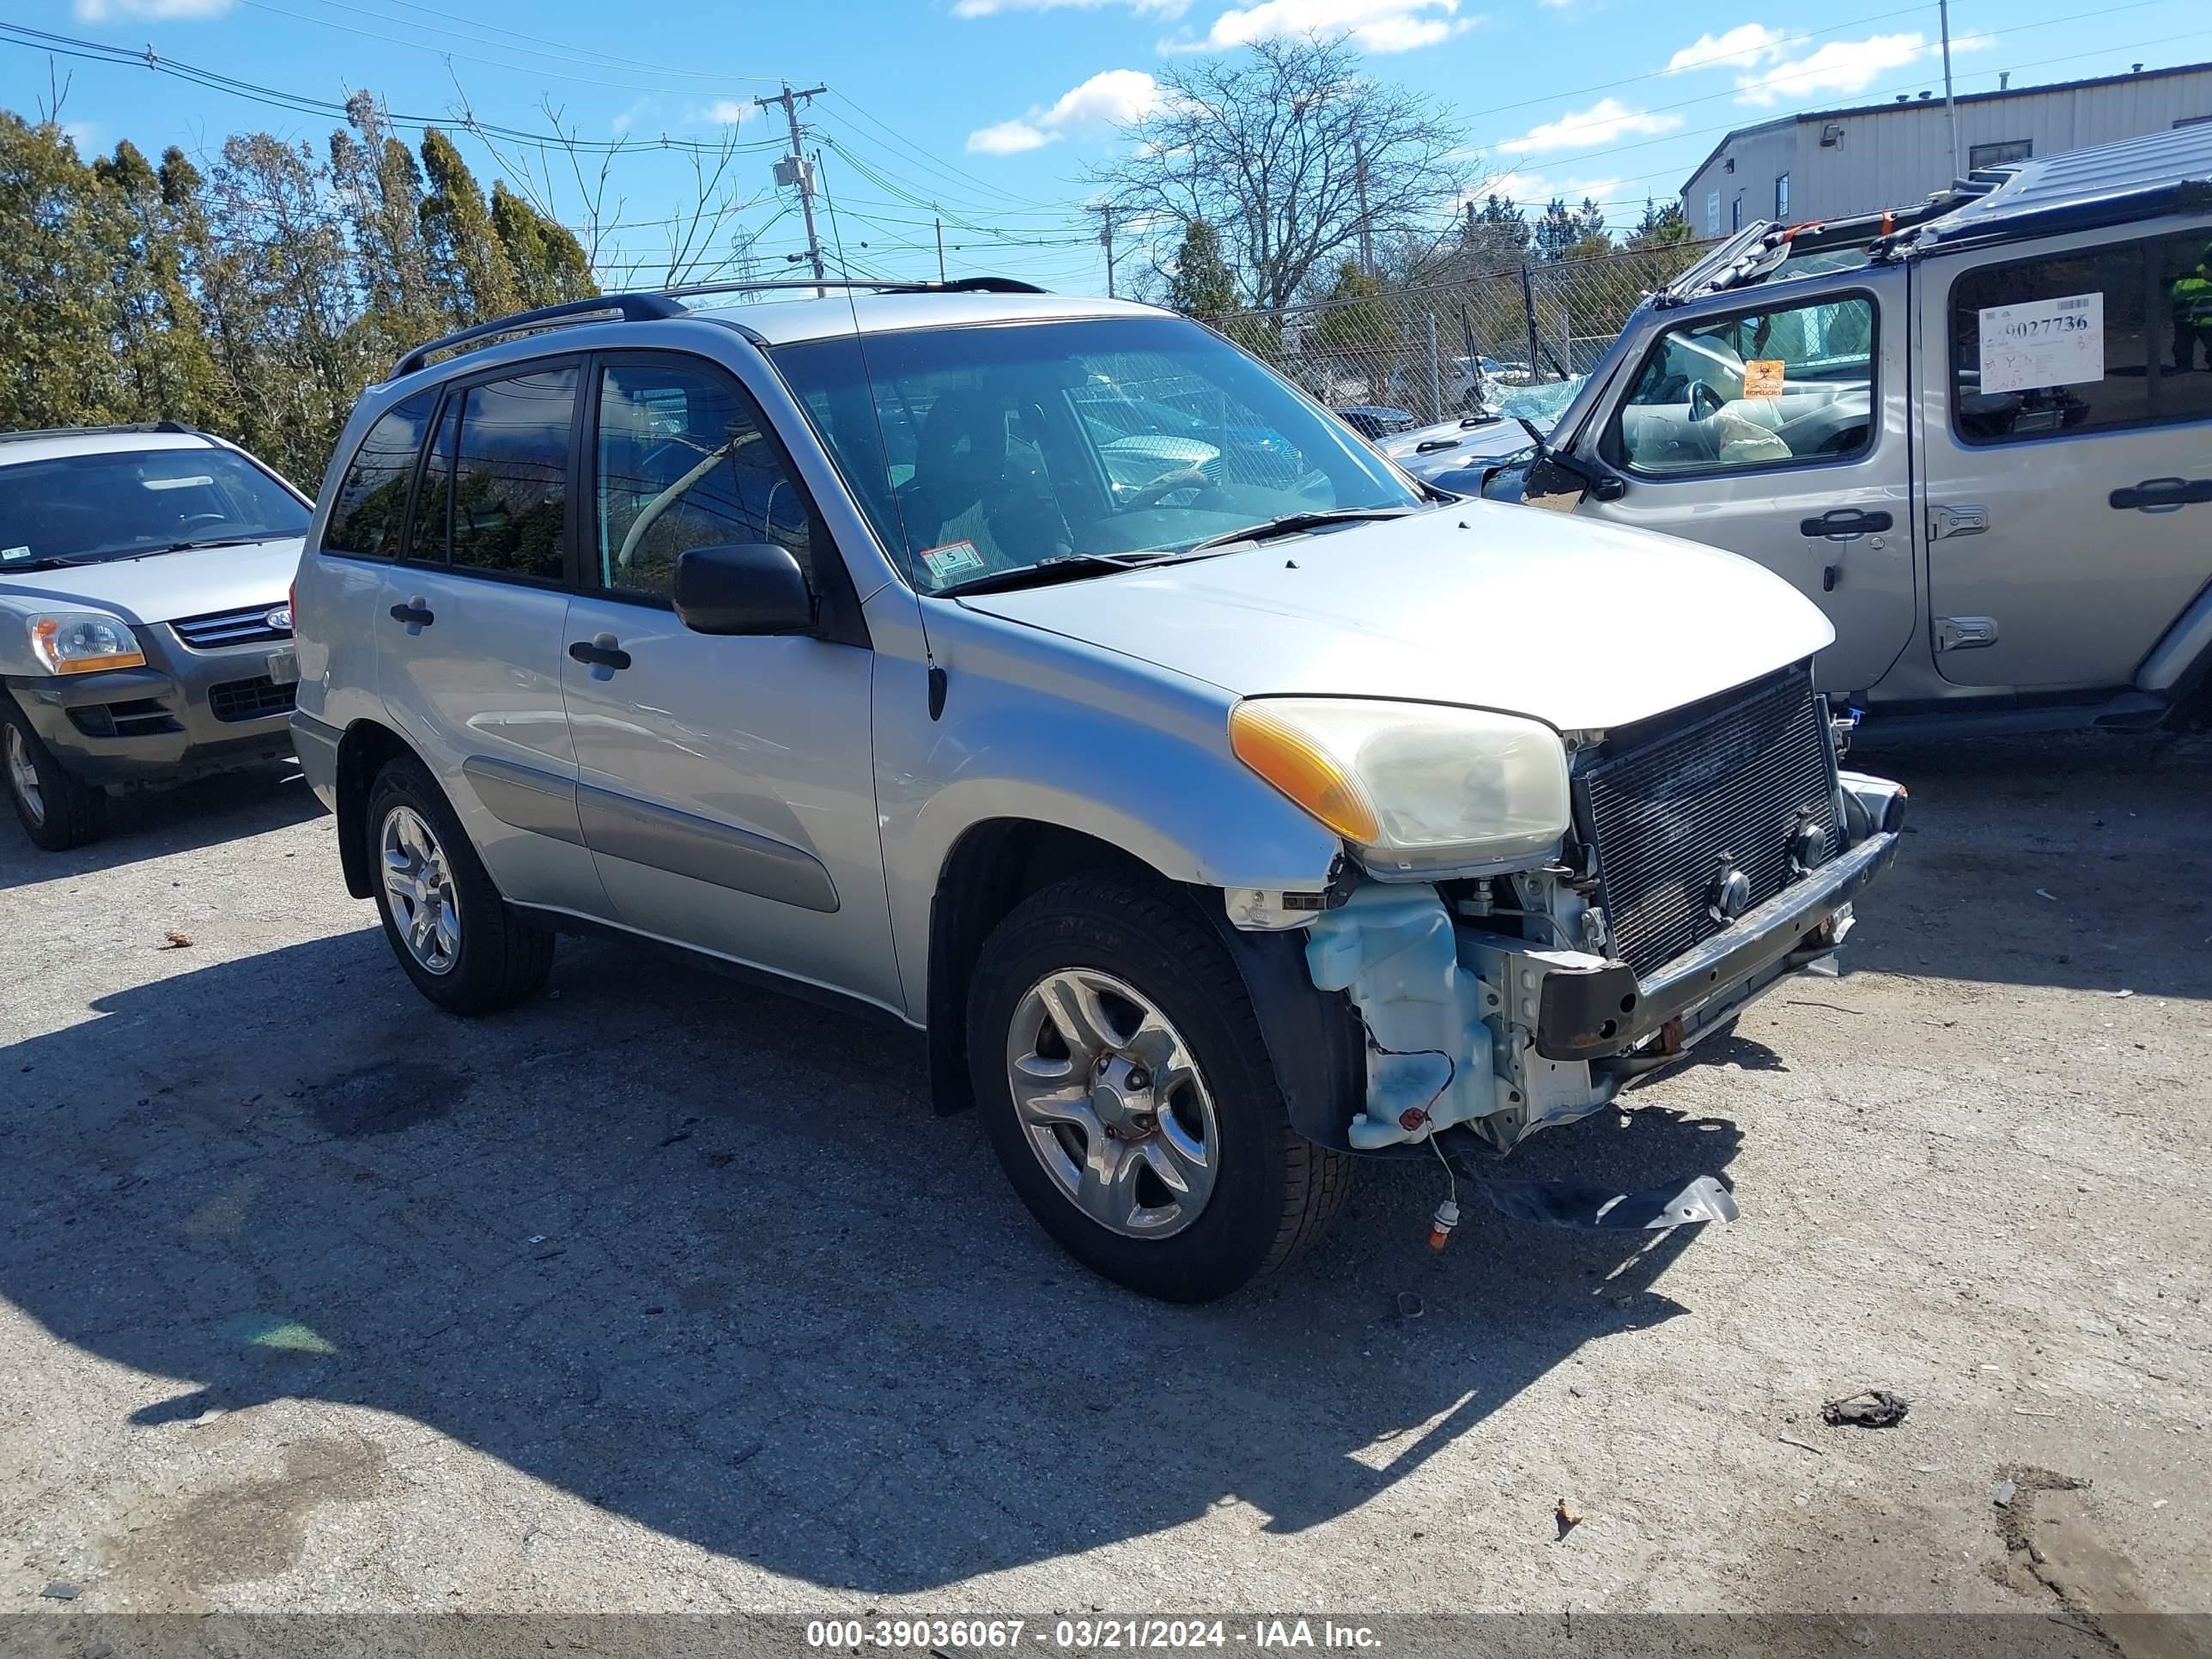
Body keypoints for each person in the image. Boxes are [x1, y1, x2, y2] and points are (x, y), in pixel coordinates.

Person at [2172, 240, 2212, 372]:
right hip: (2184, 317)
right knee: (2182, 350)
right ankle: (2183, 368)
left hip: (2207, 321)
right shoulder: (2191, 274)